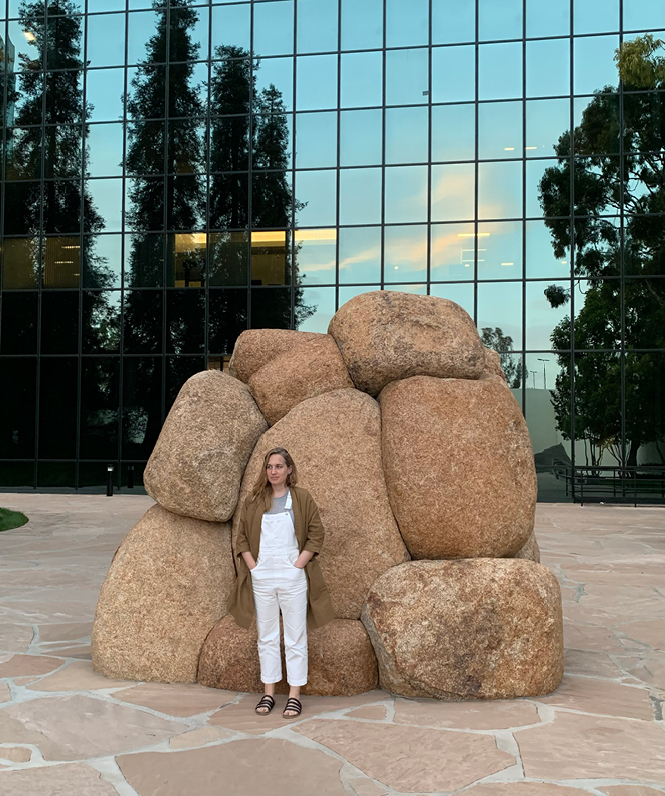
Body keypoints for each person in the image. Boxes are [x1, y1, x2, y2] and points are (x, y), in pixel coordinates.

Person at [228, 447, 334, 718]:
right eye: (269, 466)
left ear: (289, 470)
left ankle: (295, 695)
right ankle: (269, 693)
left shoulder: (301, 498)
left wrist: (299, 565)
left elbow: (316, 533)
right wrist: (254, 567)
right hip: (262, 577)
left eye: (278, 466)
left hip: (292, 576)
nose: (273, 471)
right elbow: (241, 537)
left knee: (296, 636)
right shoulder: (254, 500)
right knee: (266, 636)